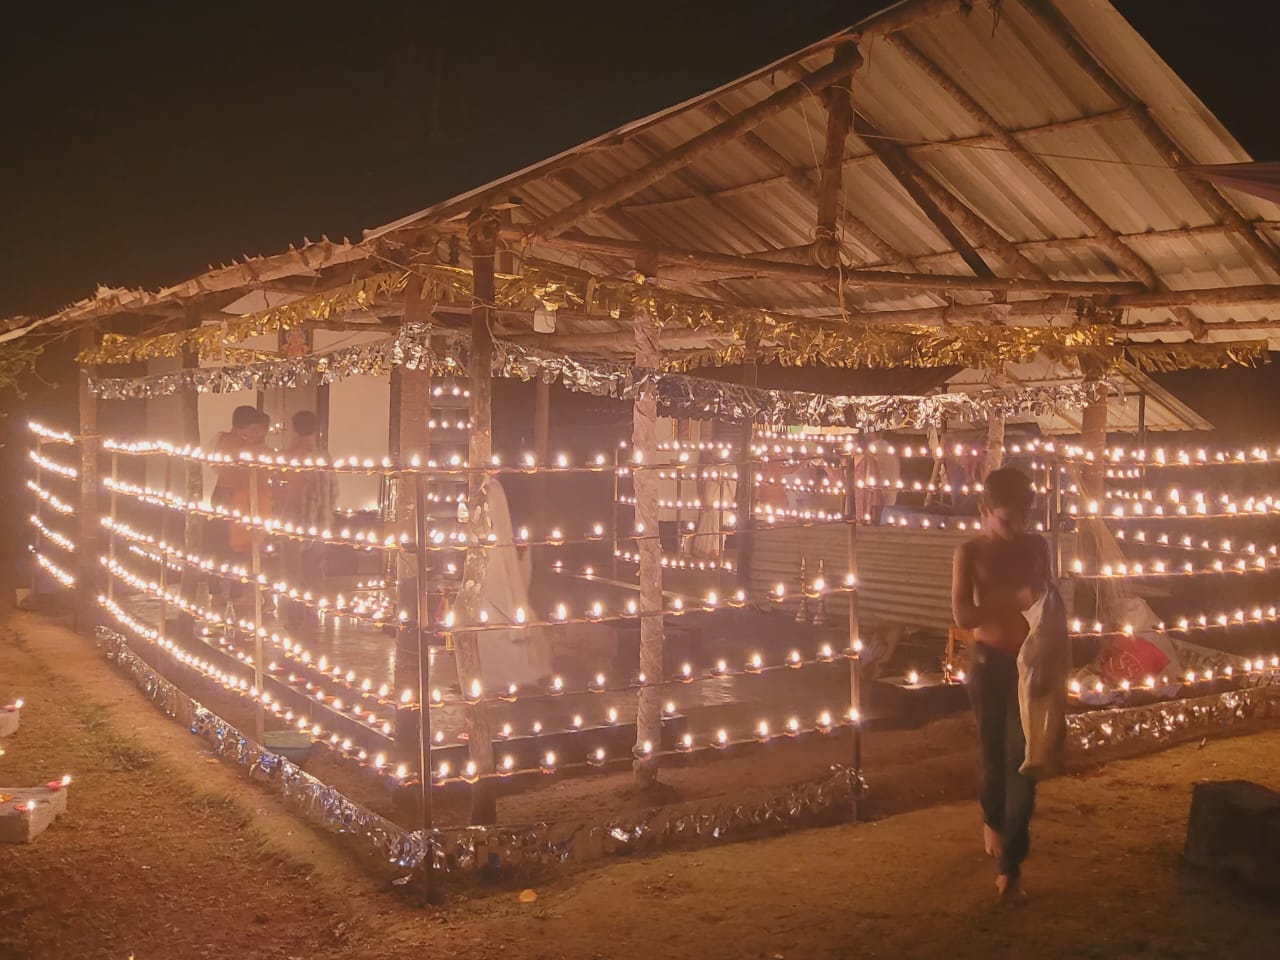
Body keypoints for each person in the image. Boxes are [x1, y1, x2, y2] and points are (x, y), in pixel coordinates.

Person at [951, 467, 1050, 897]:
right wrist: (1012, 600)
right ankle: (992, 819)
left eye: (1022, 519)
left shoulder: (1036, 547)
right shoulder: (969, 552)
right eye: (1006, 521)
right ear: (985, 511)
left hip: (1028, 665)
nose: (1015, 531)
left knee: (1025, 761)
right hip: (988, 664)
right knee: (993, 757)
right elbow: (963, 616)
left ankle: (1012, 864)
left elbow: (1044, 602)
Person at [278, 410, 338, 624]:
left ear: (295, 431)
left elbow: (291, 494)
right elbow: (332, 492)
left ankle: (295, 611)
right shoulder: (325, 456)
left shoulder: (291, 457)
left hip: (298, 519)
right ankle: (312, 608)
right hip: (323, 522)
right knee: (314, 569)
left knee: (293, 570)